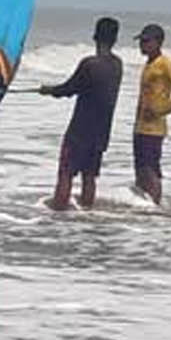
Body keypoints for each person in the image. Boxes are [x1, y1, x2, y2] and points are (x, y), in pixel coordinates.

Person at [36, 17, 125, 211]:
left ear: (95, 36)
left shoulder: (90, 64)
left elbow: (69, 89)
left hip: (80, 130)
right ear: (115, 39)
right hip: (101, 132)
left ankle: (58, 214)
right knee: (89, 176)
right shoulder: (117, 65)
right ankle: (86, 214)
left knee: (66, 173)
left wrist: (49, 90)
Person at [131, 23, 171, 206]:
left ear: (158, 42)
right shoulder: (149, 64)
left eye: (146, 41)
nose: (142, 45)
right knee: (141, 170)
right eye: (141, 41)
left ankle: (155, 207)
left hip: (154, 128)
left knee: (151, 170)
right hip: (140, 126)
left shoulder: (165, 64)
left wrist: (163, 110)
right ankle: (143, 204)